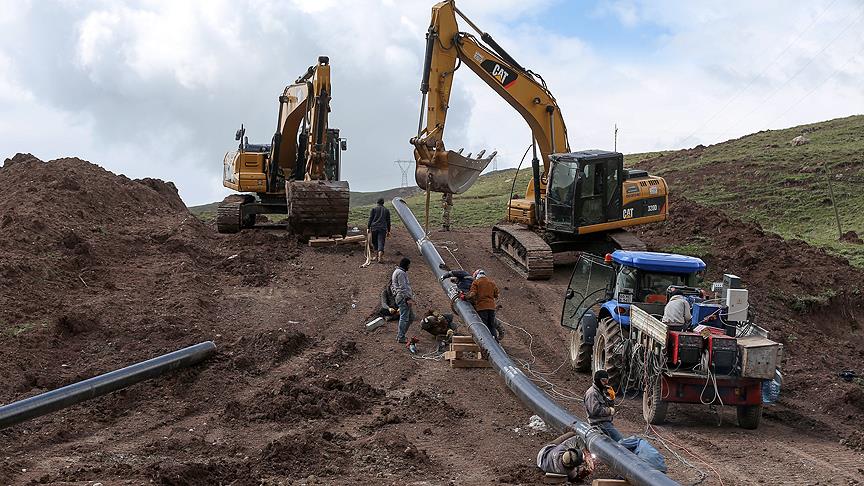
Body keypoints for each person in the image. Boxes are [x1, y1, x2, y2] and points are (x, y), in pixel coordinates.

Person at [584, 369, 623, 442]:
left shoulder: (600, 391)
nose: (606, 383)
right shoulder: (592, 393)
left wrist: (611, 399)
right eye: (604, 381)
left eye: (607, 381)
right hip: (599, 424)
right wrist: (609, 411)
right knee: (621, 441)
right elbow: (595, 410)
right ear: (597, 380)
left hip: (605, 422)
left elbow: (607, 405)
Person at [465, 269, 500, 340]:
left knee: (484, 325)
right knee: (491, 325)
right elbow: (496, 295)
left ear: (476, 275)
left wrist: (465, 297)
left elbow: (472, 294)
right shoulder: (491, 283)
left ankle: (486, 341)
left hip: (482, 307)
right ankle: (495, 341)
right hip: (491, 307)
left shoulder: (476, 282)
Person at [391, 257, 414, 343]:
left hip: (402, 297)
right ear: (406, 265)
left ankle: (401, 335)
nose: (409, 267)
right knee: (404, 318)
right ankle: (401, 337)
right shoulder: (401, 273)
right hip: (403, 298)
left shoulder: (398, 272)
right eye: (409, 265)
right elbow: (403, 287)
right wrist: (407, 298)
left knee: (411, 317)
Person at [367, 198, 391, 264]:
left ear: (377, 203)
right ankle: (380, 257)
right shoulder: (386, 210)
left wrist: (368, 227)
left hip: (374, 228)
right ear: (383, 203)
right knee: (381, 242)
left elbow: (370, 219)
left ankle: (376, 256)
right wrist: (389, 230)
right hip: (382, 228)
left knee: (375, 242)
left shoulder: (374, 209)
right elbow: (388, 221)